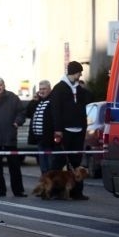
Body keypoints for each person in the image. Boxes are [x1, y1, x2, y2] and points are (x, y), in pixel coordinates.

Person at [50, 60, 91, 200]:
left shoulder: (79, 89)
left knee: (76, 163)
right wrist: (58, 129)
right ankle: (54, 191)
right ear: (74, 72)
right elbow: (55, 110)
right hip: (65, 130)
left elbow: (86, 103)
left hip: (78, 130)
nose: (80, 75)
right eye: (79, 72)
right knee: (59, 161)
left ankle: (77, 192)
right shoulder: (59, 88)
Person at [26, 79, 54, 175]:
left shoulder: (53, 101)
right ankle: (45, 184)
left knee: (50, 165)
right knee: (43, 165)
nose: (42, 91)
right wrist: (34, 100)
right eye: (40, 89)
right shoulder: (38, 101)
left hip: (49, 139)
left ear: (50, 89)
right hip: (39, 139)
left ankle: (52, 186)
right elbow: (28, 113)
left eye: (44, 89)